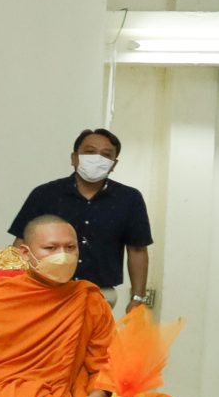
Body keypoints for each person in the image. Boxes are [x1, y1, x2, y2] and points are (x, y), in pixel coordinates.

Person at [0, 214, 180, 397]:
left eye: (70, 248)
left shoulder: (87, 298)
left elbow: (106, 361)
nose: (63, 255)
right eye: (51, 248)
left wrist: (98, 395)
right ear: (25, 253)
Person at [8, 128, 153, 309]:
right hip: (45, 291)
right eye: (90, 152)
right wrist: (14, 287)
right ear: (74, 158)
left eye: (106, 155)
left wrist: (138, 298)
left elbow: (137, 250)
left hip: (99, 294)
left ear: (114, 164)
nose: (97, 159)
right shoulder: (45, 194)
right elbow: (21, 243)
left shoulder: (129, 199)